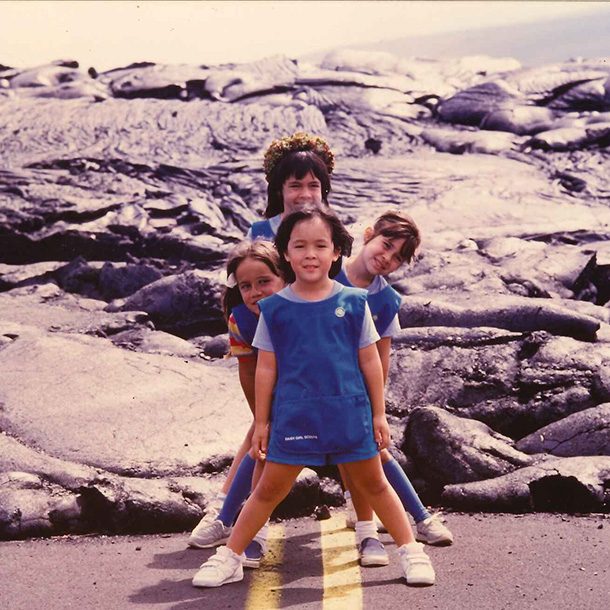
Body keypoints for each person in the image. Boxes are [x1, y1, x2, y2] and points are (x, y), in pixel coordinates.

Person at [192, 207, 436, 588]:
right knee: (269, 488)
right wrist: (261, 422)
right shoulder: (275, 309)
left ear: (336, 251)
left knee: (375, 485)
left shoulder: (356, 302)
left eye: (320, 245)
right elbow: (266, 369)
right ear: (285, 253)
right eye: (300, 245)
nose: (310, 253)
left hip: (349, 413)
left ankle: (411, 553)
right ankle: (229, 557)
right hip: (295, 417)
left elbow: (371, 362)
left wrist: (379, 415)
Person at [334, 211, 453, 569]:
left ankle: (408, 520)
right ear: (368, 235)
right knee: (358, 457)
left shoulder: (386, 302)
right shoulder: (325, 271)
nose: (387, 257)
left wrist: (377, 409)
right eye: (386, 245)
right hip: (318, 383)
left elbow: (381, 361)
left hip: (355, 390)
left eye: (398, 257)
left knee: (373, 450)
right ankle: (410, 517)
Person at [188, 240, 284, 569]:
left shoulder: (302, 308)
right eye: (246, 286)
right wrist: (261, 418)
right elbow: (248, 372)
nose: (255, 292)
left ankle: (404, 518)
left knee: (367, 456)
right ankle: (229, 518)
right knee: (260, 448)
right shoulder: (240, 320)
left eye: (264, 282)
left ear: (283, 278)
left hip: (316, 400)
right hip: (276, 399)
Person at [246, 131, 333, 240]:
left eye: (313, 185)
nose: (305, 195)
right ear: (279, 190)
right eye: (295, 186)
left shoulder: (332, 232)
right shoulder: (258, 234)